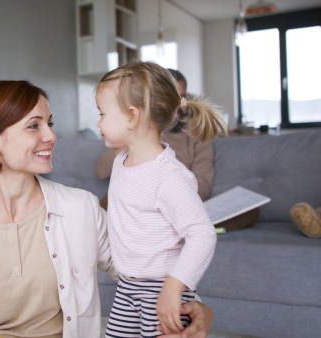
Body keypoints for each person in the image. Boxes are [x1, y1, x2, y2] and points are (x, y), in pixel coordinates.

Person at [0, 80, 213, 337]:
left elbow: (139, 272)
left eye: (50, 123)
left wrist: (192, 306)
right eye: (34, 125)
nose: (51, 136)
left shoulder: (82, 208)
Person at [95, 61, 226, 337]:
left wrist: (174, 286)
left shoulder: (169, 176)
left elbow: (203, 234)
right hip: (128, 287)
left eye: (102, 113)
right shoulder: (122, 161)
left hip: (162, 287)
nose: (98, 122)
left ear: (132, 117)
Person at [96, 68, 214, 209]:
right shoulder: (139, 134)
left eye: (179, 98)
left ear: (185, 98)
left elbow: (201, 189)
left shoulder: (198, 140)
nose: (173, 107)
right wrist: (134, 144)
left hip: (162, 208)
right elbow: (101, 170)